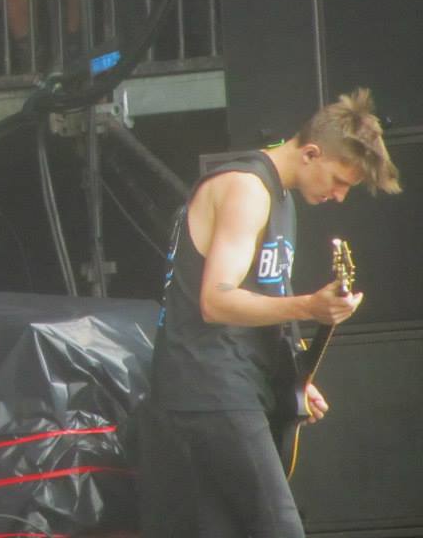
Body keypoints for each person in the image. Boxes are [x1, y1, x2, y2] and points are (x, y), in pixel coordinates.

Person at [136, 88, 401, 537]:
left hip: (225, 388)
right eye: (340, 180)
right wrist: (310, 306)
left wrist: (292, 380)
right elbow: (216, 300)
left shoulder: (280, 198)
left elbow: (262, 300)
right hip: (210, 389)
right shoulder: (246, 188)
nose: (340, 196)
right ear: (311, 153)